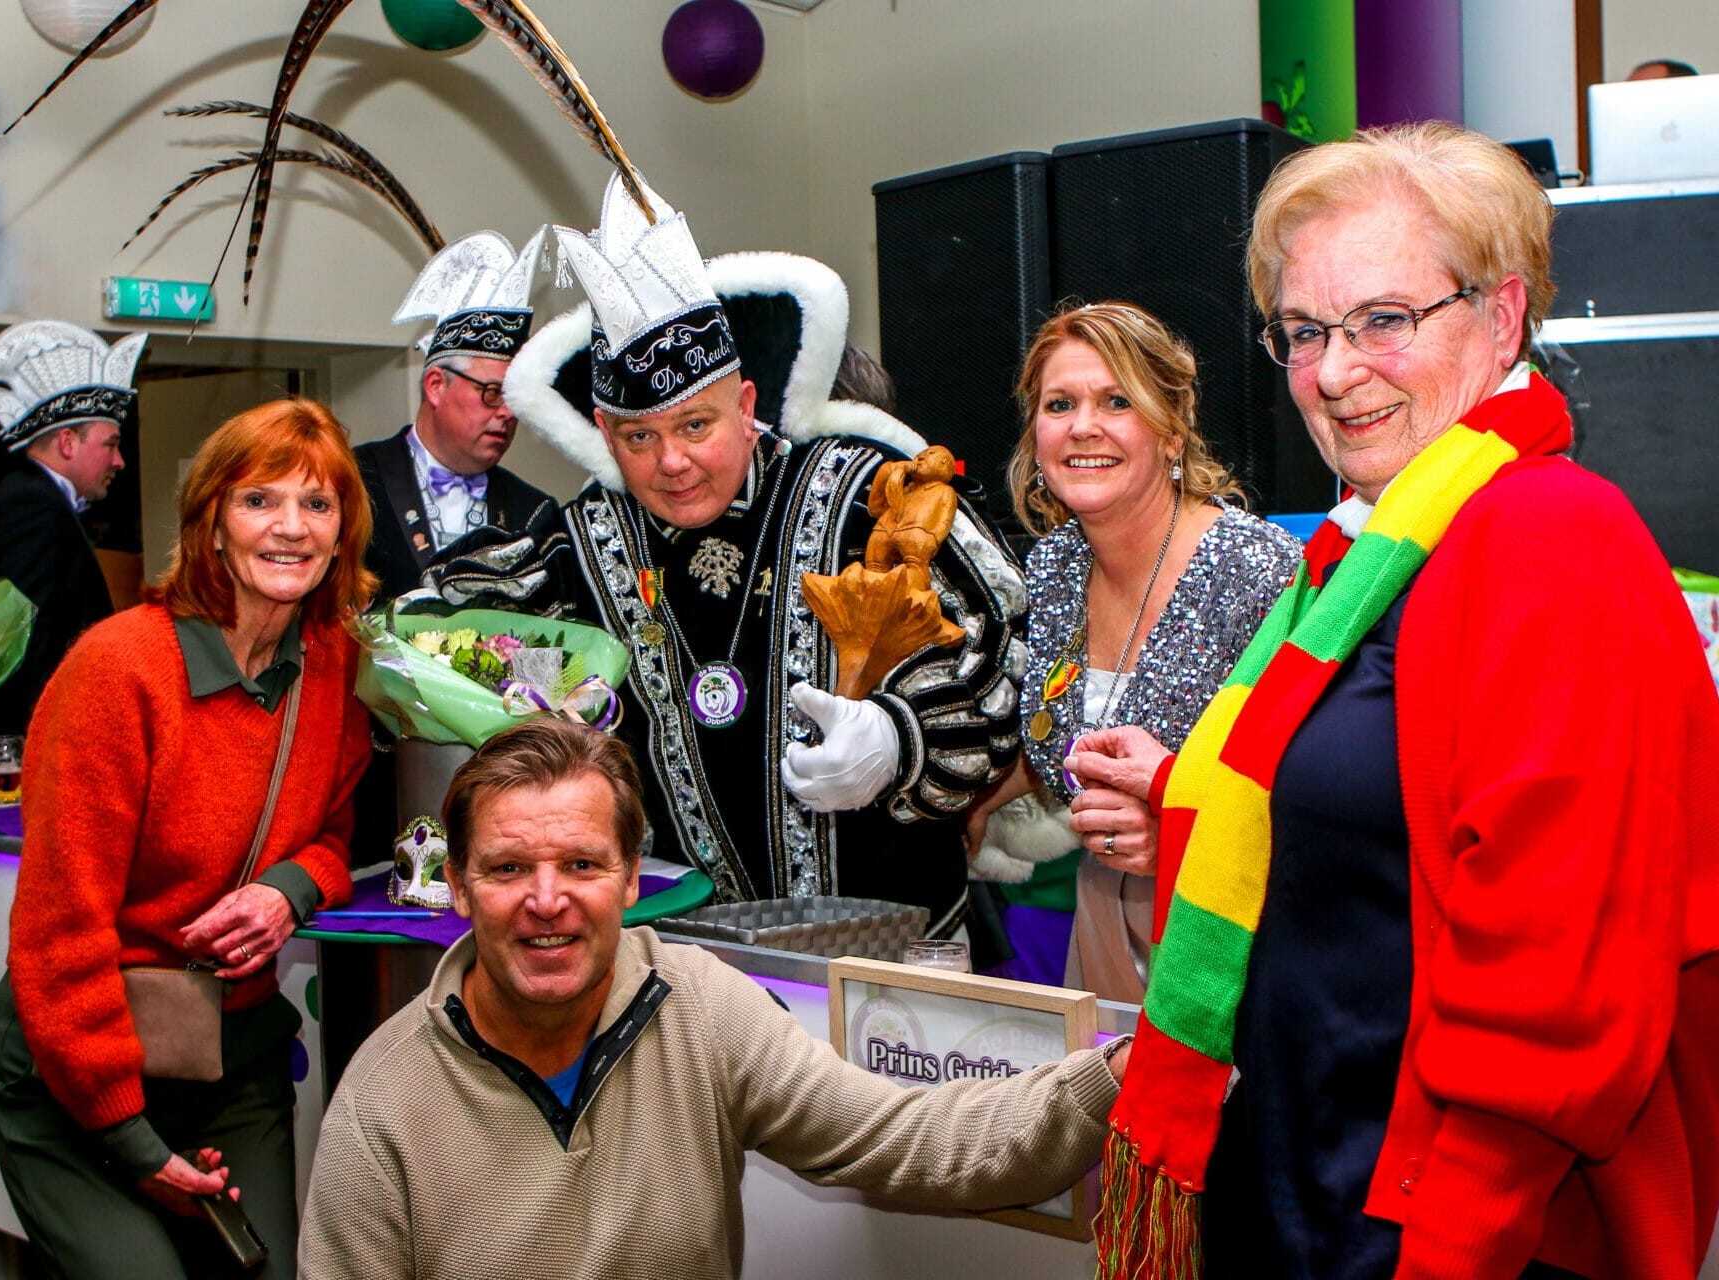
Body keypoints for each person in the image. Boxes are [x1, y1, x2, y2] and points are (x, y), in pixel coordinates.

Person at [1083, 120, 1719, 1280]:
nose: (1334, 371)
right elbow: (1385, 828)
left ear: (1501, 316)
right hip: (1310, 1180)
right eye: (1305, 330)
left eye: (1384, 319)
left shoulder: (1548, 535)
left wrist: (1453, 1246)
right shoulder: (1361, 556)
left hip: (1439, 1230)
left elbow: (1560, 978)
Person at [299, 718, 1129, 1279]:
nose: (547, 900)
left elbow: (916, 1141)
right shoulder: (384, 1099)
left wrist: (1122, 1072)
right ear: (457, 887)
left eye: (582, 865)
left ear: (632, 879)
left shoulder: (697, 1006)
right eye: (509, 869)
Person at [423, 175, 1025, 937]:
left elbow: (1004, 643)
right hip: (686, 966)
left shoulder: (867, 493)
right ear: (606, 434)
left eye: (695, 426)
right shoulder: (575, 545)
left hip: (894, 952)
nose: (671, 461)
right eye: (640, 437)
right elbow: (454, 651)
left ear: (744, 407)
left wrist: (899, 738)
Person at [0, 399, 376, 1280]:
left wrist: (287, 892)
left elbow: (334, 837)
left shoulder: (335, 666)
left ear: (343, 531)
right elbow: (59, 931)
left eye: (317, 504)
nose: (291, 527)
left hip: (229, 1060)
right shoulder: (118, 670)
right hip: (78, 1074)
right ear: (212, 523)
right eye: (259, 500)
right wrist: (130, 1138)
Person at [962, 303, 1300, 1001]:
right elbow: (1066, 733)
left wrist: (1179, 827)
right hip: (1100, 919)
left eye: (1117, 402)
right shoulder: (1053, 567)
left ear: (1172, 433)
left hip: (1234, 933)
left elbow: (1308, 783)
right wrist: (982, 798)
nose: (1083, 425)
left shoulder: (1256, 570)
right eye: (1060, 404)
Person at [0, 319, 148, 734]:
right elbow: (20, 644)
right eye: (110, 444)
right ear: (67, 442)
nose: (119, 461)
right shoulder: (30, 507)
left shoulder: (36, 500)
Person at [360, 229, 558, 603]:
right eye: (493, 393)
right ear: (436, 385)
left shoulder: (534, 512)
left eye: (515, 398)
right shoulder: (353, 479)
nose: (507, 413)